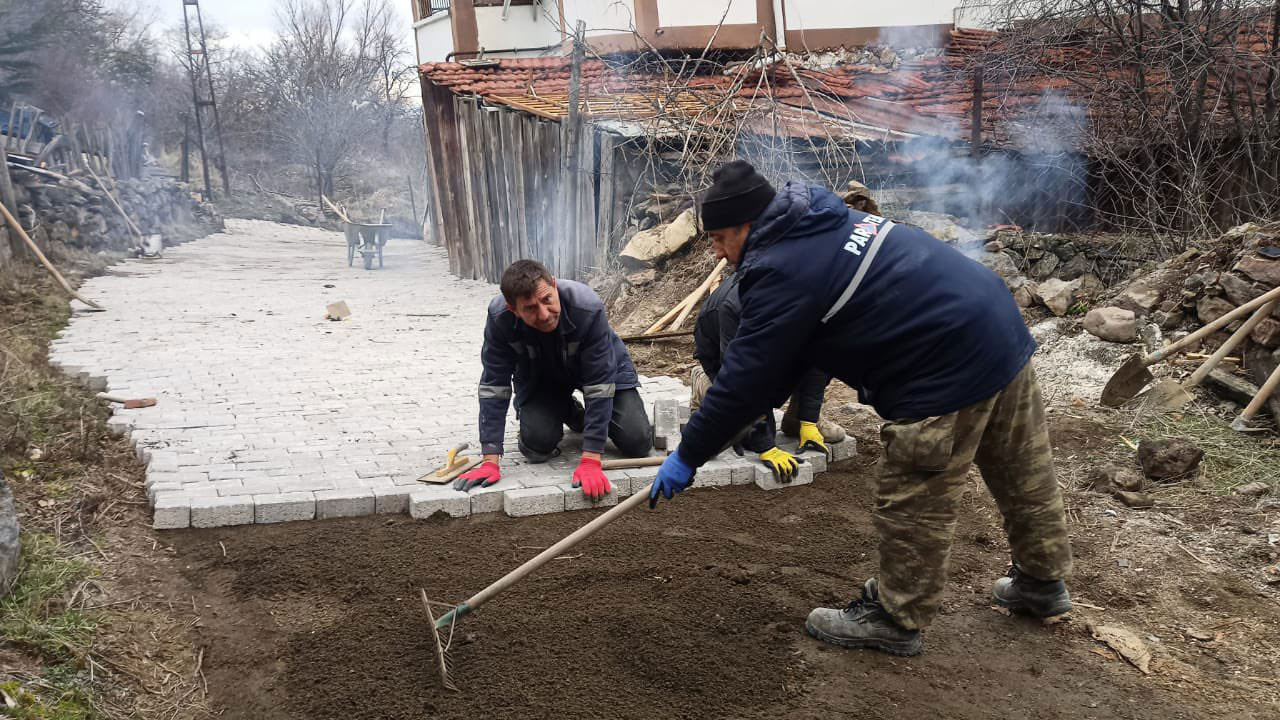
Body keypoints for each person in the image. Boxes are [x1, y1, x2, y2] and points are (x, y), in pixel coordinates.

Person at [649, 161, 1073, 656]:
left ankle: (896, 616)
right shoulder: (818, 219)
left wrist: (689, 453)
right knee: (1022, 470)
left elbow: (744, 380)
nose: (718, 254)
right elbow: (783, 366)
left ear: (749, 224)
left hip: (941, 365)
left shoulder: (782, 269)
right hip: (995, 325)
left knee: (914, 496)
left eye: (721, 238)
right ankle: (1042, 582)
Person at [455, 260, 652, 501]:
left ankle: (584, 417)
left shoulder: (587, 307)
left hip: (600, 371)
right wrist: (490, 460)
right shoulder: (500, 319)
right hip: (542, 378)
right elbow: (494, 386)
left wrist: (591, 459)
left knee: (638, 442)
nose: (544, 314)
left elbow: (600, 385)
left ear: (555, 286)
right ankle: (568, 410)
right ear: (512, 309)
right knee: (536, 447)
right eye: (530, 308)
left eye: (547, 299)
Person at [691, 269, 840, 481]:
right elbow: (741, 378)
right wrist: (766, 445)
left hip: (767, 344)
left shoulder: (813, 296)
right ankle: (705, 384)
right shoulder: (736, 307)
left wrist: (809, 419)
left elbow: (819, 358)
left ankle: (796, 419)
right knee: (751, 434)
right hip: (717, 347)